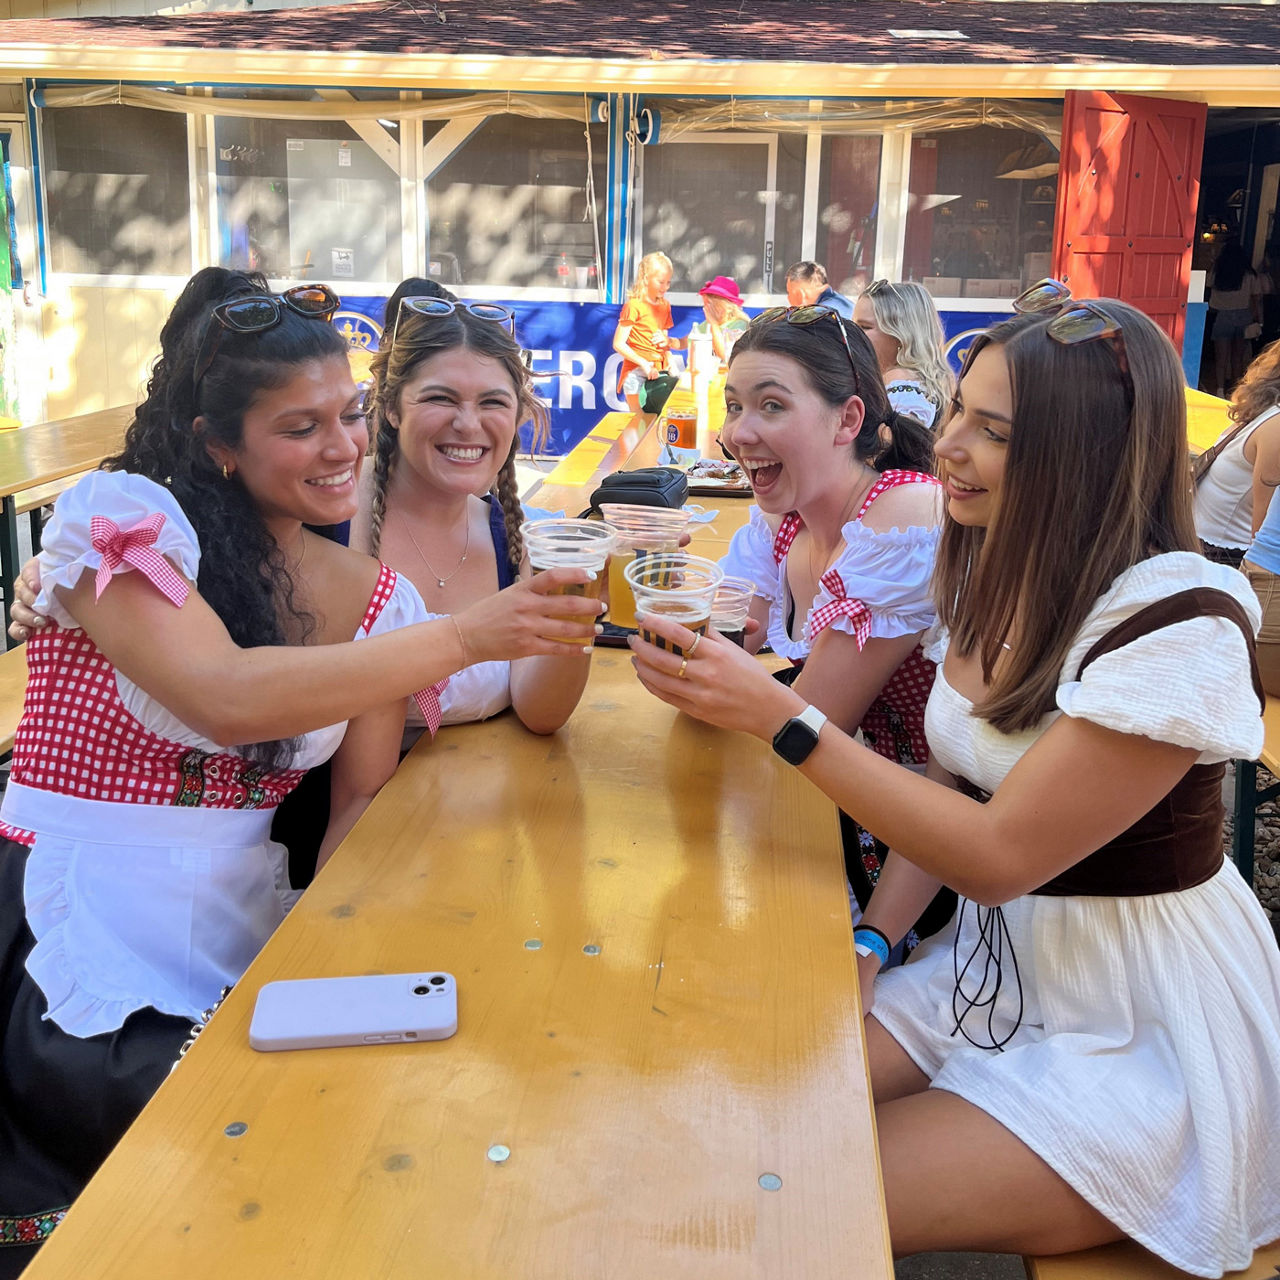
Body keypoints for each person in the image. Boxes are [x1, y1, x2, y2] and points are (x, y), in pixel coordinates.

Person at [629, 296, 1280, 1273]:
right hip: (990, 976)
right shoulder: (989, 566)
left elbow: (994, 852)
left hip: (1137, 1028)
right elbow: (945, 783)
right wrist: (869, 939)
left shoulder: (1182, 621)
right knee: (724, 1114)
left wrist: (778, 715)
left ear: (1089, 452)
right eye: (955, 412)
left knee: (782, 1187)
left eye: (992, 429)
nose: (945, 446)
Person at [0, 269, 602, 1275]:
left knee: (334, 1140)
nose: (341, 448)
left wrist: (347, 942)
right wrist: (461, 635)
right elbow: (224, 693)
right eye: (300, 426)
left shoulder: (374, 597)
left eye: (350, 414)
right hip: (77, 909)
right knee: (160, 1193)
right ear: (215, 442)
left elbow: (358, 799)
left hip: (242, 910)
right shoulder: (126, 514)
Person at [716, 303, 953, 949]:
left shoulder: (902, 519)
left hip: (919, 845)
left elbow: (811, 721)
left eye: (771, 406)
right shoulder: (786, 518)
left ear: (848, 419)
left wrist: (705, 663)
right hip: (830, 790)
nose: (739, 431)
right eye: (734, 406)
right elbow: (736, 632)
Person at [1196, 337, 1280, 566]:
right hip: (1225, 557)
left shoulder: (1266, 411)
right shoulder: (1276, 427)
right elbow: (1264, 534)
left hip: (1203, 543)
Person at [852, 279, 954, 430]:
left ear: (901, 335)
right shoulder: (923, 379)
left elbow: (897, 449)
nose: (852, 333)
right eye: (852, 324)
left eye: (864, 327)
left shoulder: (902, 382)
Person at [612, 251, 685, 414]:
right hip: (636, 371)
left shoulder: (665, 305)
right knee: (640, 421)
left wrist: (670, 360)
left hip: (660, 370)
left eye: (668, 283)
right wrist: (643, 364)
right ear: (646, 278)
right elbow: (618, 343)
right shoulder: (634, 305)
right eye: (660, 282)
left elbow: (663, 340)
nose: (665, 287)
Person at [1208, 240, 1263, 398]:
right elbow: (1257, 299)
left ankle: (1219, 390)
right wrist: (1260, 321)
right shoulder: (1249, 274)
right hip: (1243, 317)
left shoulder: (1219, 272)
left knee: (1221, 358)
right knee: (1237, 358)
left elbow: (1208, 283)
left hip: (1222, 316)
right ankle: (1235, 391)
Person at [691, 275, 749, 369]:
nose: (706, 309)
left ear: (726, 306)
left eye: (709, 305)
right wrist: (671, 341)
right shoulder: (707, 324)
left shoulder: (739, 325)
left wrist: (713, 324)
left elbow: (724, 355)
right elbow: (689, 340)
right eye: (705, 305)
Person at [784, 260, 853, 320]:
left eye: (789, 292)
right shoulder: (844, 303)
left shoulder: (816, 316)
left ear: (800, 294)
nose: (788, 298)